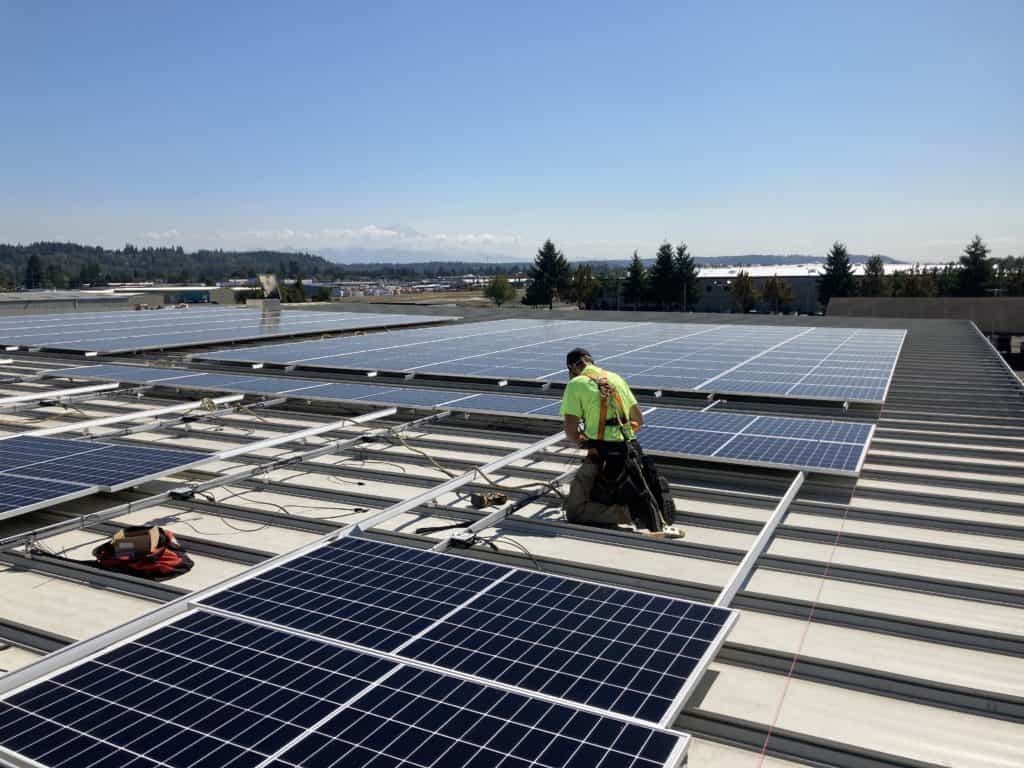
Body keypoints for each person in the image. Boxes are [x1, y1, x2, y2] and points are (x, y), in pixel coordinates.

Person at [559, 348, 679, 535]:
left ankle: (631, 513)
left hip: (602, 455)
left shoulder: (576, 383)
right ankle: (656, 498)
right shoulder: (616, 378)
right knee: (625, 481)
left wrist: (586, 443)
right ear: (591, 361)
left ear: (571, 367)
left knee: (575, 511)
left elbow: (570, 429)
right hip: (631, 449)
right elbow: (638, 418)